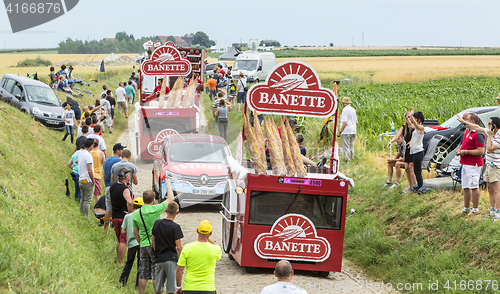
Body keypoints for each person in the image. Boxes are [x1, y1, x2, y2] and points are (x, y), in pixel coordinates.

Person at [457, 114, 500, 221]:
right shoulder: (490, 132)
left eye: (490, 123)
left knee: (496, 190)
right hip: (489, 164)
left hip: (496, 165)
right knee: (489, 188)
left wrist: (489, 136)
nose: (488, 125)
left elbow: (489, 149)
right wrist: (464, 122)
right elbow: (477, 127)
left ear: (495, 125)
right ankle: (492, 210)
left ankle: (498, 213)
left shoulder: (498, 136)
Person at [133, 187, 174, 294]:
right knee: (157, 272)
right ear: (153, 200)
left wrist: (140, 242)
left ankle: (141, 293)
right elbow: (171, 198)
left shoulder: (137, 213)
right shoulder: (156, 209)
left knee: (143, 271)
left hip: (143, 244)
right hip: (156, 244)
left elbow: (135, 231)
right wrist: (168, 184)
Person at [175, 220, 221, 294]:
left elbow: (179, 269)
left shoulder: (187, 248)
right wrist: (208, 238)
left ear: (197, 231)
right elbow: (217, 250)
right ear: (211, 233)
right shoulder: (216, 249)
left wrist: (178, 287)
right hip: (208, 288)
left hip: (189, 288)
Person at [455, 113, 485, 217]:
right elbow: (464, 146)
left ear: (472, 121)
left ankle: (475, 209)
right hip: (464, 163)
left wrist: (466, 152)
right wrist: (460, 150)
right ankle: (466, 207)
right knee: (466, 186)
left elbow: (481, 150)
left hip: (473, 164)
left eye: (466, 119)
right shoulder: (466, 132)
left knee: (474, 186)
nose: (464, 121)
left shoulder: (478, 134)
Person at [152, 201, 183, 294]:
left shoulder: (157, 223)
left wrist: (157, 252)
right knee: (171, 290)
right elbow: (178, 247)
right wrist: (181, 261)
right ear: (177, 212)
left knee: (158, 289)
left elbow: (153, 242)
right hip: (171, 259)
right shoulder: (176, 227)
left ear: (166, 210)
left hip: (159, 258)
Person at [110, 167, 134, 267]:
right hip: (123, 217)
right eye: (129, 175)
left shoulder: (113, 186)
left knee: (119, 239)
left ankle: (118, 259)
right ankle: (120, 262)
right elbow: (129, 201)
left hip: (115, 216)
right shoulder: (125, 189)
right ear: (126, 176)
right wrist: (130, 212)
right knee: (123, 240)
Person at [119, 197, 144, 287]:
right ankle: (138, 285)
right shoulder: (143, 216)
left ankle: (122, 281)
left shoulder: (128, 216)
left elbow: (122, 231)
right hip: (141, 243)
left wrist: (129, 231)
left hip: (131, 244)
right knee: (140, 265)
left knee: (129, 263)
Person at [103, 143, 125, 233]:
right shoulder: (118, 161)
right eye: (121, 149)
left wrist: (106, 184)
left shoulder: (107, 160)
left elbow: (104, 174)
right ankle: (119, 229)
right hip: (116, 187)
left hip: (108, 186)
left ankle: (106, 230)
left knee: (108, 209)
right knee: (119, 209)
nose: (122, 151)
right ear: (117, 150)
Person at [405, 110, 428, 193]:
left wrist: (411, 117)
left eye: (415, 118)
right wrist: (407, 117)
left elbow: (416, 126)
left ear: (419, 119)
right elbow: (410, 125)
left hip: (419, 152)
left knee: (417, 171)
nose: (413, 119)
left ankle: (420, 187)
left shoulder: (421, 128)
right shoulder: (416, 128)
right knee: (416, 171)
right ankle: (419, 186)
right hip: (414, 152)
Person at [78, 138, 95, 217]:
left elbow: (77, 161)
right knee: (87, 200)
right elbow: (90, 170)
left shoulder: (81, 153)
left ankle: (81, 213)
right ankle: (86, 216)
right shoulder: (88, 156)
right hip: (87, 180)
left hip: (81, 178)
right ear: (91, 146)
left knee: (83, 198)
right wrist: (93, 180)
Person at [337, 97, 357, 162]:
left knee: (346, 147)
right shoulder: (353, 110)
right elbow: (356, 122)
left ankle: (347, 161)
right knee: (351, 146)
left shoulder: (345, 110)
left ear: (343, 104)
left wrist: (340, 131)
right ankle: (352, 158)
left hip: (346, 131)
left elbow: (345, 122)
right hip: (353, 130)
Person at [90, 138, 105, 203]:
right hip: (97, 175)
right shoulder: (101, 153)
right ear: (98, 144)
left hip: (89, 174)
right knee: (97, 194)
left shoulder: (89, 152)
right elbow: (104, 165)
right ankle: (97, 208)